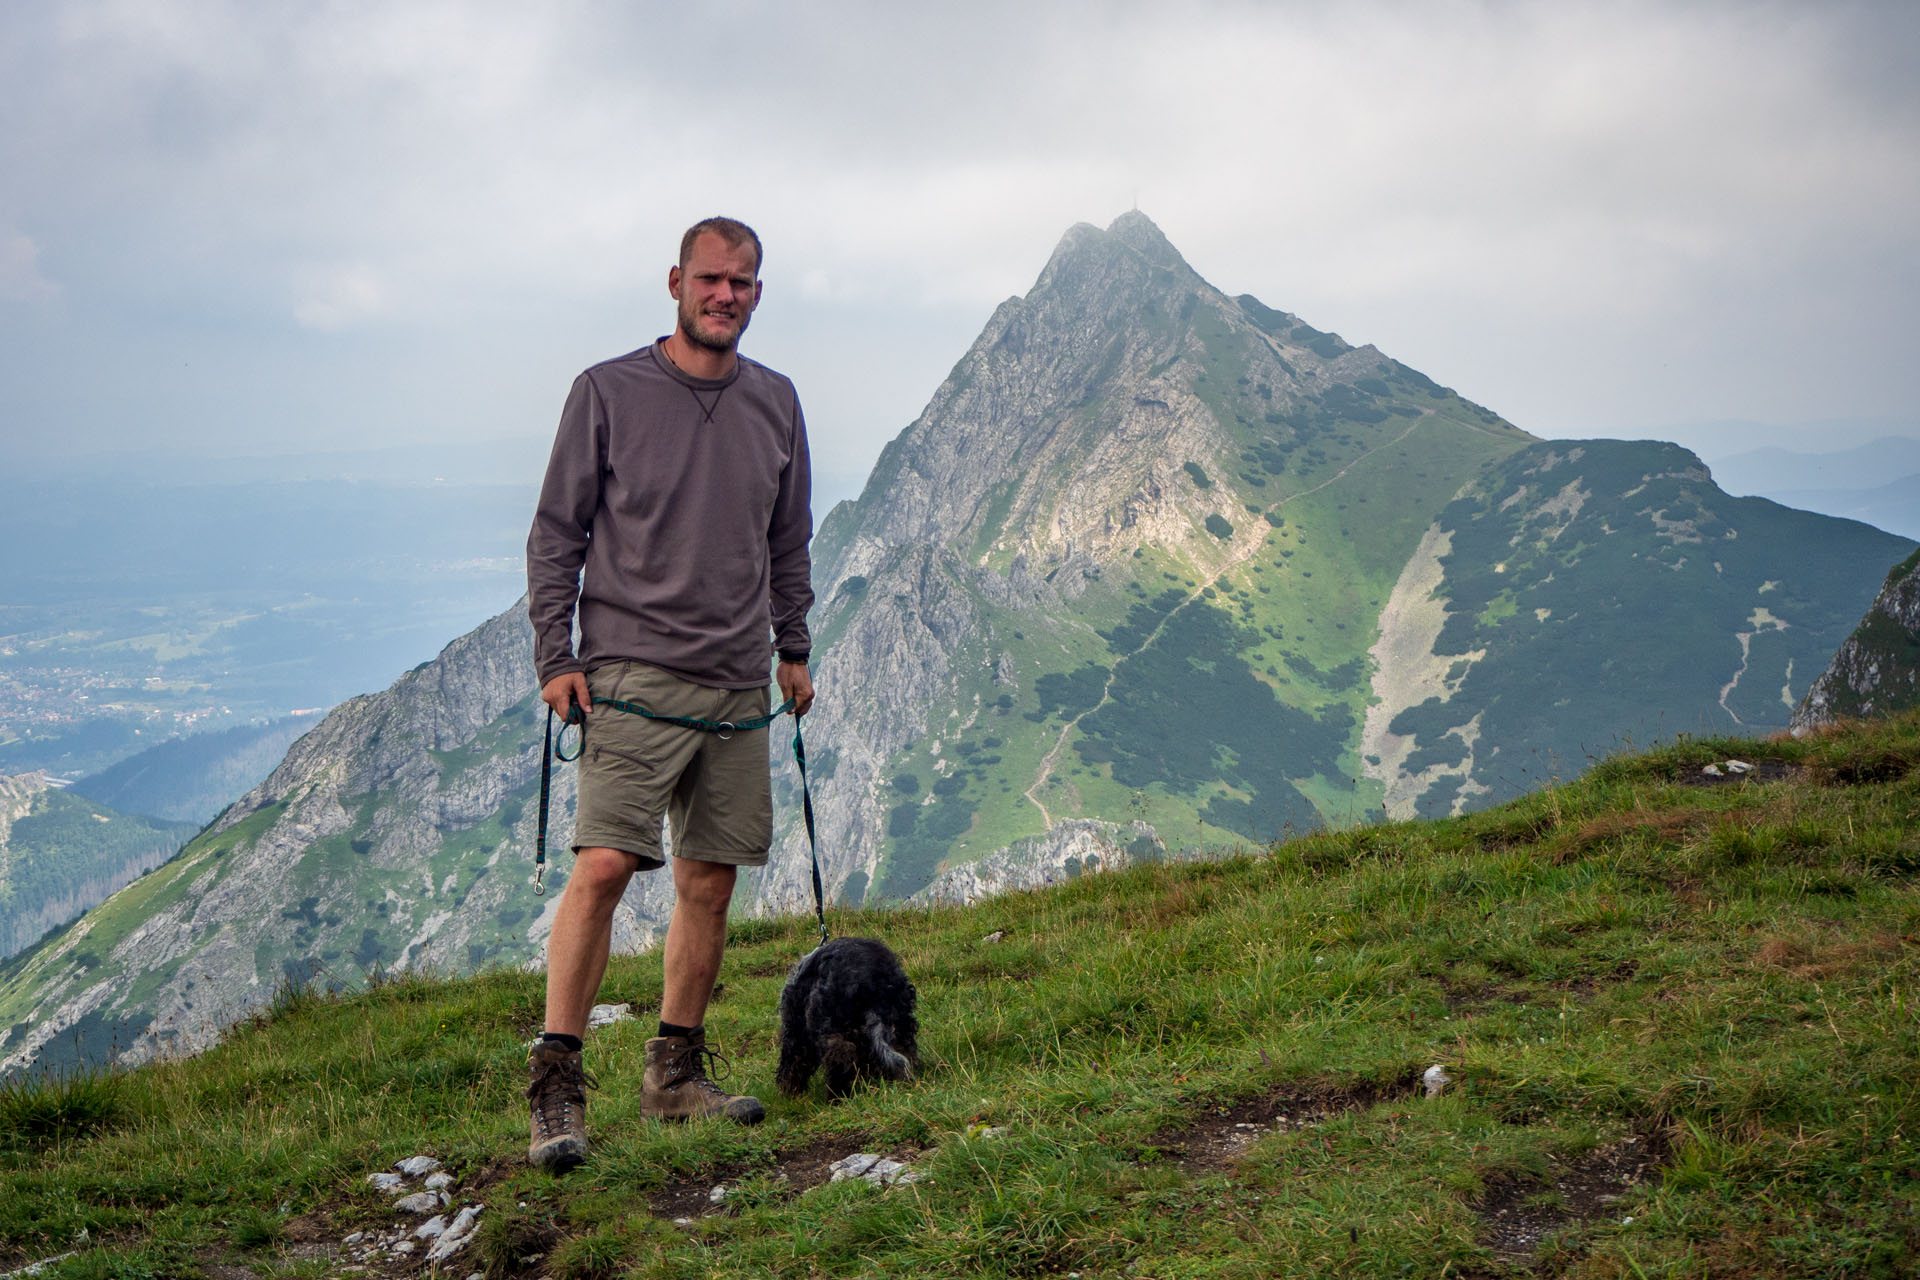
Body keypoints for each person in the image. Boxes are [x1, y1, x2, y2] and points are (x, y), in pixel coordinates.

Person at [522, 216, 814, 1172]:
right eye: (709, 279)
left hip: (737, 679)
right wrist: (553, 658)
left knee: (711, 880)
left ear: (757, 295)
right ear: (676, 282)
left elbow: (787, 541)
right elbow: (557, 532)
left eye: (742, 284)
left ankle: (674, 1077)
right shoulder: (607, 391)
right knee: (604, 866)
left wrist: (793, 648)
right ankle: (557, 1088)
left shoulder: (776, 402)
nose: (724, 295)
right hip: (630, 677)